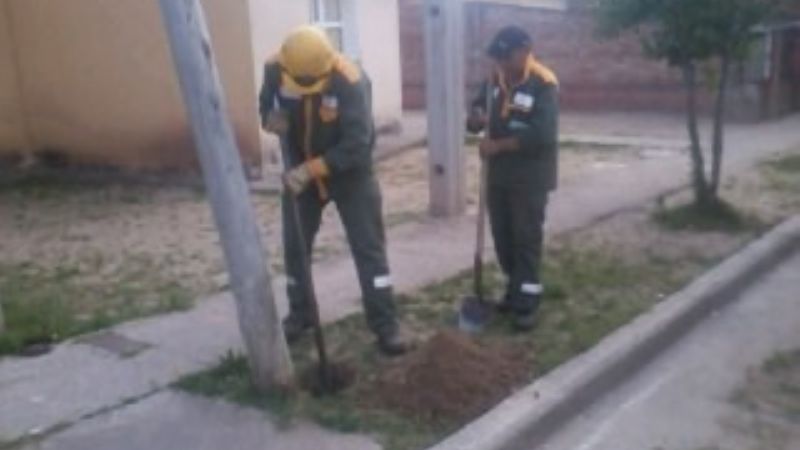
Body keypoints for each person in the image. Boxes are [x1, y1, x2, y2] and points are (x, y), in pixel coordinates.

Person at [259, 26, 407, 356]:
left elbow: (358, 145)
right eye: (300, 82)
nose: (305, 87)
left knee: (368, 248)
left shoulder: (351, 80)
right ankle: (301, 314)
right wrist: (273, 120)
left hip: (350, 175)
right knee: (295, 248)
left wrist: (311, 169)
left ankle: (385, 324)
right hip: (299, 171)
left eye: (311, 83)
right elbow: (266, 110)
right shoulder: (276, 68)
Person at [466, 26, 559, 331]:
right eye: (498, 59)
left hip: (529, 178)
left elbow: (542, 135)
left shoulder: (543, 84)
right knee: (504, 238)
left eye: (506, 58)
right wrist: (476, 117)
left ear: (524, 50)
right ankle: (514, 289)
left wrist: (499, 145)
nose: (501, 64)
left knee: (526, 238)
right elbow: (477, 110)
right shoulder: (495, 79)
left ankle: (527, 302)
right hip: (498, 177)